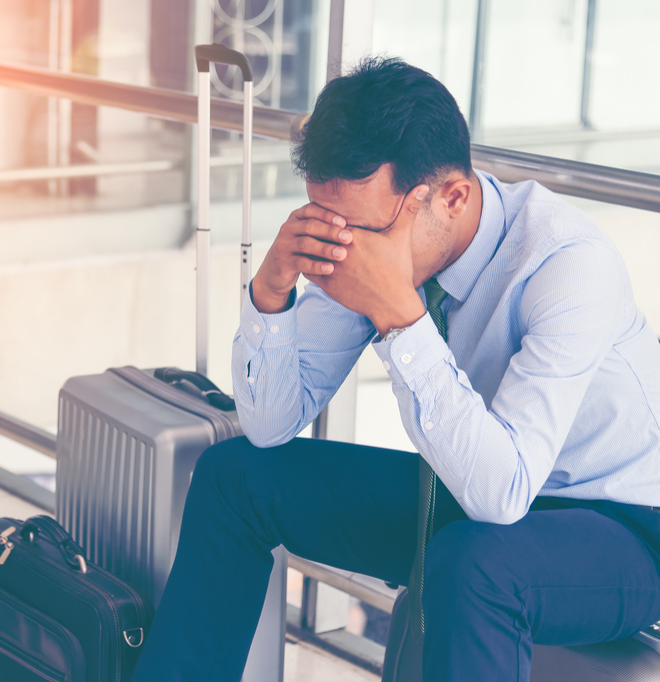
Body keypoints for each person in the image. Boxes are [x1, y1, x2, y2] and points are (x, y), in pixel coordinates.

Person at [132, 57, 660, 682]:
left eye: (359, 228)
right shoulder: (369, 236)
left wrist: (400, 318)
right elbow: (270, 425)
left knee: (475, 564)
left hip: (622, 524)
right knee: (235, 476)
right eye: (328, 222)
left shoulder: (568, 267)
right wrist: (272, 290)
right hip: (473, 486)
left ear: (452, 198)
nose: (344, 248)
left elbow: (503, 492)